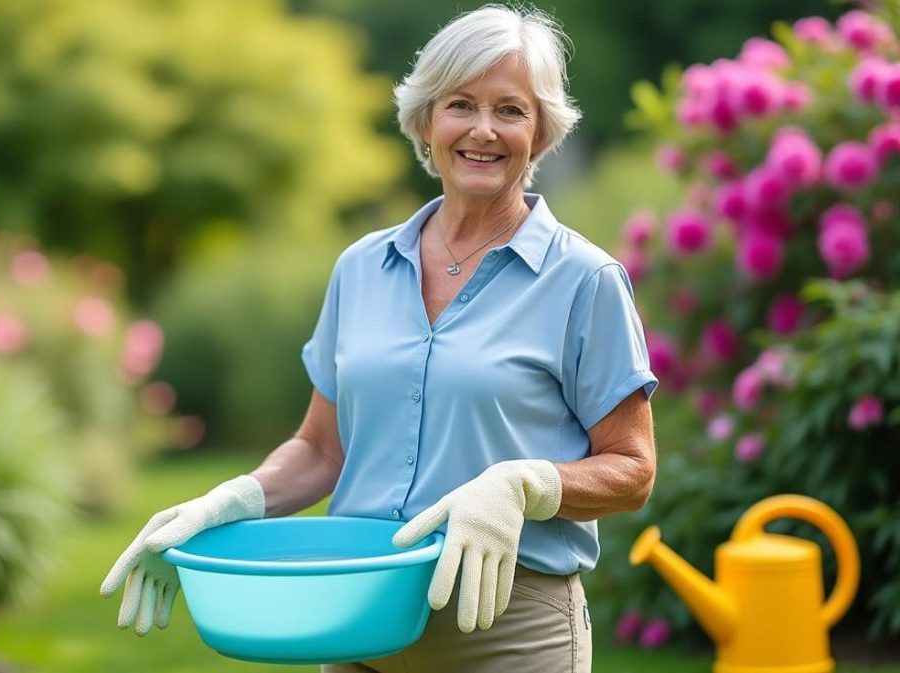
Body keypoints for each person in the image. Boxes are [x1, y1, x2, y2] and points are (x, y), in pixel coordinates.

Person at [101, 5, 658, 672]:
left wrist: (524, 484)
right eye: (460, 104)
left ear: (540, 133)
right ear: (425, 120)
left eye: (510, 110)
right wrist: (231, 502)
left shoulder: (584, 280)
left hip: (508, 632)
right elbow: (320, 448)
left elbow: (633, 468)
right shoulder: (361, 268)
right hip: (355, 622)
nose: (483, 129)